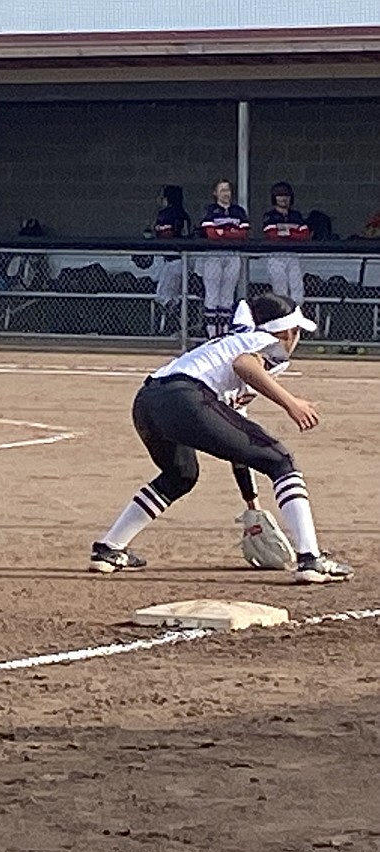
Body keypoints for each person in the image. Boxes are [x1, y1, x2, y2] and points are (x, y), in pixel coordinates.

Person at [88, 292, 353, 584]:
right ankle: (311, 559)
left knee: (180, 475)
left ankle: (109, 549)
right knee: (281, 461)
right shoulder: (262, 343)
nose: (296, 338)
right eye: (296, 331)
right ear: (286, 331)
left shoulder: (231, 343)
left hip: (148, 401)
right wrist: (291, 403)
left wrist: (252, 504)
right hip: (186, 397)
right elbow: (244, 365)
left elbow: (238, 442)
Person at [198, 179, 250, 338]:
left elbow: (243, 234)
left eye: (227, 190)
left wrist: (223, 233)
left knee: (227, 294)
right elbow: (211, 234)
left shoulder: (238, 211)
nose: (226, 193)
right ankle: (212, 333)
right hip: (214, 255)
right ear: (215, 193)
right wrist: (231, 232)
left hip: (233, 254)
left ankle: (224, 332)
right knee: (212, 293)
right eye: (222, 190)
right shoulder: (210, 210)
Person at [262, 181, 307, 303]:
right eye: (280, 195)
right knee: (280, 293)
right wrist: (292, 233)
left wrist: (286, 233)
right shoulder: (270, 216)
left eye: (286, 195)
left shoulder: (296, 215)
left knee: (297, 292)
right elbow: (271, 235)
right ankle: (283, 319)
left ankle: (295, 318)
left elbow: (304, 235)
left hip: (293, 255)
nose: (283, 199)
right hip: (276, 256)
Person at [151, 185, 192, 316]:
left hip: (174, 260)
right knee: (176, 295)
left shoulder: (167, 214)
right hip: (186, 260)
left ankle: (173, 321)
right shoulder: (184, 214)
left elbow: (164, 234)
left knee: (164, 295)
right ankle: (176, 321)